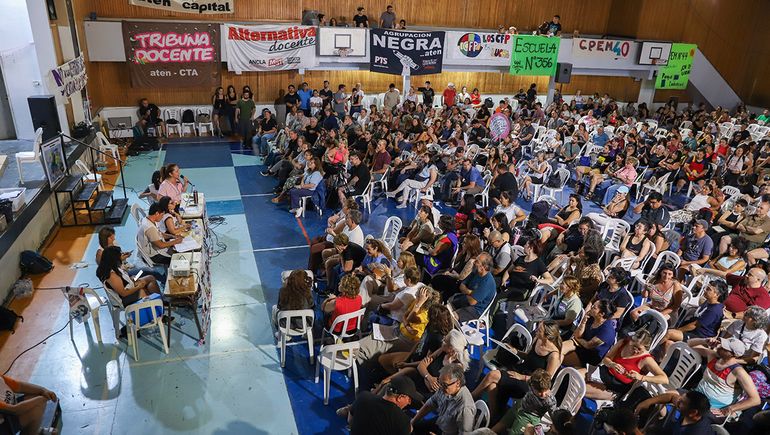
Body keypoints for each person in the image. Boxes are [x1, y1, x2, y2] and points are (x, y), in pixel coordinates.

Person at [472, 322, 563, 421]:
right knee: (492, 386)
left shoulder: (553, 356)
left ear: (547, 336)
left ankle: (470, 399)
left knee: (492, 375)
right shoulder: (538, 339)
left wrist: (521, 377)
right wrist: (515, 351)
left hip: (530, 383)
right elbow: (528, 356)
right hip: (520, 370)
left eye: (539, 330)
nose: (536, 330)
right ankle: (494, 416)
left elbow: (545, 381)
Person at [583, 329, 668, 401]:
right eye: (633, 346)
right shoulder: (623, 342)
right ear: (630, 340)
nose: (635, 351)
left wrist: (641, 377)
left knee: (581, 388)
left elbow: (664, 379)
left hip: (615, 386)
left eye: (639, 349)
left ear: (646, 348)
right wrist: (612, 364)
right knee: (574, 375)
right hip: (604, 372)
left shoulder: (646, 359)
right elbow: (606, 359)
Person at [411, 364, 475, 435]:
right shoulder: (445, 388)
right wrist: (413, 422)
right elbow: (430, 404)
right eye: (439, 383)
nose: (441, 388)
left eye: (445, 385)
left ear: (458, 383)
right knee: (414, 427)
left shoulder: (465, 408)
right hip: (440, 422)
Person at [662, 280, 727, 351]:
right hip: (692, 333)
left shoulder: (715, 310)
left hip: (700, 337)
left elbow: (695, 325)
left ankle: (649, 348)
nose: (705, 290)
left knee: (669, 333)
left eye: (708, 289)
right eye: (706, 288)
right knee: (668, 343)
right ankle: (660, 360)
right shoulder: (708, 302)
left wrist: (678, 330)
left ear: (717, 295)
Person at [490, 369, 557, 435]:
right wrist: (521, 376)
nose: (543, 394)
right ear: (532, 386)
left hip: (530, 417)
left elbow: (554, 415)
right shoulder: (531, 383)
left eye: (545, 391)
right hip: (519, 406)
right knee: (499, 426)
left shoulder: (550, 401)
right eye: (539, 391)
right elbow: (529, 379)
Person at [348, 376, 421, 435]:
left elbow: (350, 420)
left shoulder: (363, 397)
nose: (409, 403)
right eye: (409, 399)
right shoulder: (403, 421)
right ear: (400, 397)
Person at [561, 299, 618, 367]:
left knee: (559, 357)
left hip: (591, 355)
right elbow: (577, 335)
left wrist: (578, 339)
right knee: (557, 350)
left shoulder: (607, 331)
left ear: (601, 314)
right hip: (579, 344)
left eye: (594, 308)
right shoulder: (591, 317)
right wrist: (583, 322)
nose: (591, 308)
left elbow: (588, 345)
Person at [97, 245, 161, 306]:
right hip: (123, 299)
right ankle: (153, 309)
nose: (121, 256)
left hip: (128, 286)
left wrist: (132, 279)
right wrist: (138, 287)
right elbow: (124, 293)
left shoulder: (113, 267)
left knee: (150, 278)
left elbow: (123, 279)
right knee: (142, 290)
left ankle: (160, 302)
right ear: (115, 259)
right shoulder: (112, 276)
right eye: (120, 255)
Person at [447, 253, 497, 322]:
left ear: (484, 267)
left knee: (451, 317)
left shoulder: (487, 282)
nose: (473, 262)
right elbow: (462, 286)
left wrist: (467, 292)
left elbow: (472, 301)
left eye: (477, 261)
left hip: (476, 309)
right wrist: (471, 292)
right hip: (465, 299)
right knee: (446, 308)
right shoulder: (475, 272)